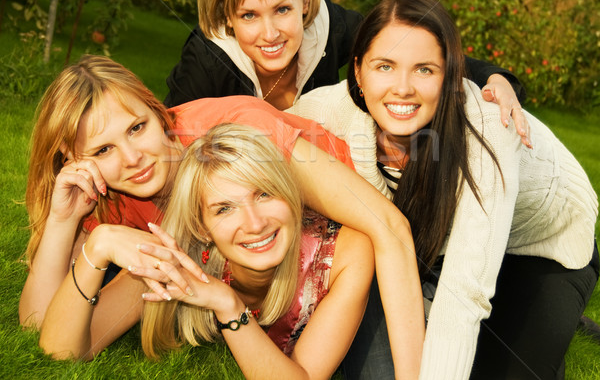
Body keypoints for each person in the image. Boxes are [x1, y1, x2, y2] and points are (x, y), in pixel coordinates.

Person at [20, 56, 423, 379]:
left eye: (137, 127)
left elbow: (388, 228)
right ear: (75, 163)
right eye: (103, 151)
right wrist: (69, 225)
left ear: (157, 111)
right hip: (247, 266)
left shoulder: (244, 135)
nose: (132, 158)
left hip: (342, 246)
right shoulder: (112, 198)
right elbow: (41, 329)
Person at [288, 0, 599, 379]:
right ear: (357, 72)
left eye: (424, 69)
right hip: (441, 246)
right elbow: (251, 133)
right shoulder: (329, 110)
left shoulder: (487, 132)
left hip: (540, 247)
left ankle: (552, 315)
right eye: (384, 66)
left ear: (450, 75)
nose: (402, 88)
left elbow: (465, 294)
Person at [164, 0, 530, 148]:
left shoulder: (331, 27)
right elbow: (169, 140)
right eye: (248, 15)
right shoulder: (208, 58)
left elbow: (412, 51)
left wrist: (494, 78)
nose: (270, 33)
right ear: (228, 16)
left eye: (282, 10)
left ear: (305, 2)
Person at [134, 123, 373, 378]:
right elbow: (87, 342)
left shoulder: (345, 254)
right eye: (224, 209)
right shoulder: (180, 253)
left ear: (290, 193)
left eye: (265, 194)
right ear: (201, 227)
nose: (255, 224)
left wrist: (228, 306)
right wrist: (100, 244)